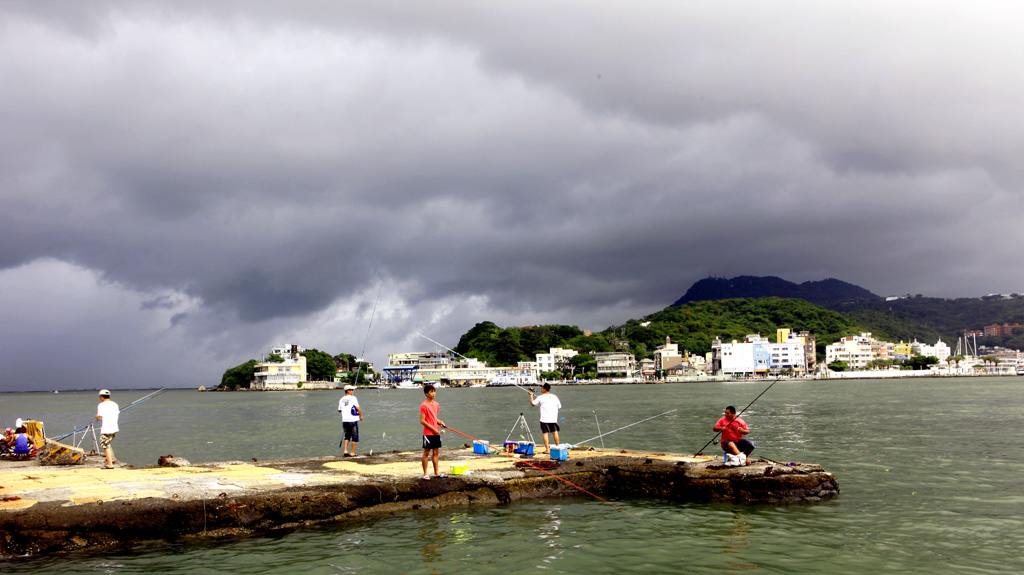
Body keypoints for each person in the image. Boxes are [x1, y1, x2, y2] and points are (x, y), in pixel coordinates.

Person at [419, 384, 446, 480]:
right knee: (426, 452)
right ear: (426, 394)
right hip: (428, 433)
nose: (433, 393)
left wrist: (440, 422)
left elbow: (434, 418)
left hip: (436, 432)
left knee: (436, 452)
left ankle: (436, 472)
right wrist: (433, 429)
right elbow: (423, 421)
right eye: (431, 392)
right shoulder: (423, 405)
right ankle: (425, 473)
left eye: (434, 391)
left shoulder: (436, 404)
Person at [528, 383, 562, 453]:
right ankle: (557, 447)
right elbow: (559, 406)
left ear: (544, 389)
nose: (541, 389)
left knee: (545, 433)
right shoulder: (555, 397)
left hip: (544, 419)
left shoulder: (540, 397)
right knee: (555, 432)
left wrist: (531, 395)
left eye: (542, 388)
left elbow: (532, 404)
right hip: (553, 418)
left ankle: (547, 449)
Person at [95, 389, 120, 469]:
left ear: (101, 397)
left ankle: (110, 464)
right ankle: (112, 458)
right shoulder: (115, 404)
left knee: (105, 446)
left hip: (107, 429)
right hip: (115, 428)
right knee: (108, 443)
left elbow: (99, 418)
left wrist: (96, 417)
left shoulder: (101, 405)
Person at [337, 384, 363, 457]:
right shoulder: (353, 398)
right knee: (355, 436)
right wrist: (361, 416)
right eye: (352, 390)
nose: (353, 391)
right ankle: (352, 452)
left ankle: (345, 451)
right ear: (348, 391)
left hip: (345, 420)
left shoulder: (341, 399)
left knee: (347, 435)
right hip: (353, 419)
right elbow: (358, 408)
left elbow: (339, 410)